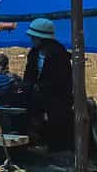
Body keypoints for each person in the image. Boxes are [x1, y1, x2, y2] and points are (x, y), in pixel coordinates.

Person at [22, 17, 73, 150]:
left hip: (57, 95)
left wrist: (41, 88)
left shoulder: (59, 54)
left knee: (56, 113)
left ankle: (54, 146)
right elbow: (29, 74)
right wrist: (26, 86)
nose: (32, 40)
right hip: (36, 94)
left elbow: (62, 80)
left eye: (34, 37)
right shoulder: (33, 53)